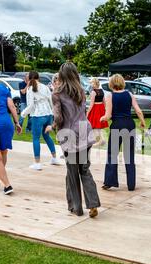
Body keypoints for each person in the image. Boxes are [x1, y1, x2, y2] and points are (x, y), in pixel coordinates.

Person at [51, 62, 100, 217]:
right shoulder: (81, 91)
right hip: (85, 130)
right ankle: (92, 204)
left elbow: (58, 117)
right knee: (84, 169)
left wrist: (52, 126)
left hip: (69, 133)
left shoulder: (57, 94)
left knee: (72, 172)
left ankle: (76, 207)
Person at [100, 74, 146, 191]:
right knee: (129, 155)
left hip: (117, 126)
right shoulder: (129, 94)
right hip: (129, 125)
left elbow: (108, 115)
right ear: (122, 82)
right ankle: (131, 185)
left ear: (111, 84)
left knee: (112, 154)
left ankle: (109, 182)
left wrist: (103, 118)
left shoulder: (110, 96)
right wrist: (142, 122)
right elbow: (138, 111)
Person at [20, 71, 61, 171]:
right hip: (48, 114)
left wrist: (23, 114)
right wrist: (52, 113)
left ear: (29, 78)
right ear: (39, 77)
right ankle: (54, 158)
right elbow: (51, 101)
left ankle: (37, 163)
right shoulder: (45, 87)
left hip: (38, 116)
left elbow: (30, 106)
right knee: (46, 136)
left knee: (36, 138)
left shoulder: (30, 88)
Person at [87, 77, 108, 146]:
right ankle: (101, 139)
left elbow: (91, 104)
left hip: (95, 108)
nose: (91, 84)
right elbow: (104, 102)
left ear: (95, 83)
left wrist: (87, 112)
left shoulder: (93, 92)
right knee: (98, 125)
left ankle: (100, 140)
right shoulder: (102, 91)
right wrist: (105, 110)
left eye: (91, 83)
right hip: (101, 108)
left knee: (95, 125)